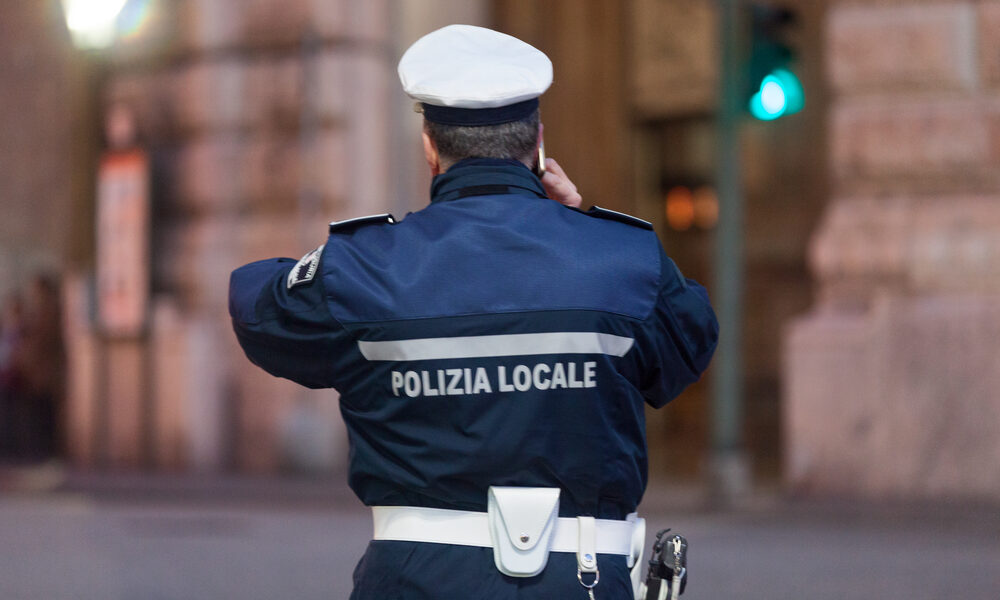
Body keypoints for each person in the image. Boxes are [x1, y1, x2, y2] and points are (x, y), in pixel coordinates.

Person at [230, 24, 717, 600]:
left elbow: (256, 306)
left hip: (414, 582)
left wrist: (352, 260)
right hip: (582, 581)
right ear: (538, 145)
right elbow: (690, 336)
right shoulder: (623, 259)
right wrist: (583, 219)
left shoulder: (362, 269)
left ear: (430, 147)